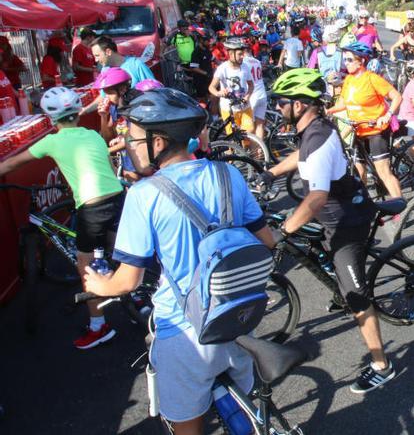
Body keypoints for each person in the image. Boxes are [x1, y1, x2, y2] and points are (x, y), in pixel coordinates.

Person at [83, 88, 274, 434]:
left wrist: (98, 285)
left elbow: (128, 281)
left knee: (187, 424)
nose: (127, 142)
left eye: (134, 136)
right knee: (246, 416)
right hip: (237, 316)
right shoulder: (227, 174)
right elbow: (267, 240)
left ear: (158, 143)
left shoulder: (143, 195)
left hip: (183, 331)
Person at [261, 68, 396, 394]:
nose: (278, 108)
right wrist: (272, 171)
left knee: (356, 298)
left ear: (300, 105)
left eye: (282, 103)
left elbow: (316, 197)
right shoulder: (314, 130)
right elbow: (302, 156)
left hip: (347, 222)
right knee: (311, 245)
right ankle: (338, 284)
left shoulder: (318, 137)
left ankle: (382, 365)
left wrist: (285, 230)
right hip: (333, 216)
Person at [0, 87, 124, 348]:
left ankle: (98, 327)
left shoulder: (51, 141)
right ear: (78, 112)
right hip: (117, 196)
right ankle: (138, 297)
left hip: (92, 207)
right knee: (122, 252)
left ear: (51, 117)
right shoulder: (91, 134)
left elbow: (11, 164)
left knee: (87, 269)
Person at [326, 42, 404, 199]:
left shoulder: (372, 79)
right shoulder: (348, 79)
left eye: (349, 60)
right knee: (359, 170)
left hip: (376, 131)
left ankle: (399, 204)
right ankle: (362, 203)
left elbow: (397, 97)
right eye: (345, 59)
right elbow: (343, 103)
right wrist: (328, 111)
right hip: (358, 130)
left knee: (383, 171)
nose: (345, 63)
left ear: (360, 61)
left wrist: (387, 115)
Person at [209, 38, 255, 136]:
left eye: (242, 53)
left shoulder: (245, 66)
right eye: (239, 54)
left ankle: (246, 150)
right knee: (232, 137)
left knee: (249, 131)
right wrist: (218, 93)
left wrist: (247, 96)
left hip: (245, 107)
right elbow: (211, 87)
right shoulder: (222, 68)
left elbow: (251, 85)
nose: (242, 56)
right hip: (228, 109)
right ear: (230, 54)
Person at [91, 36, 156, 87]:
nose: (96, 60)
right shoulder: (104, 70)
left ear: (108, 52)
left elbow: (154, 90)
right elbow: (104, 96)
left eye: (97, 55)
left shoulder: (136, 65)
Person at [243, 46, 269, 139]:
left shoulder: (243, 62)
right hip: (261, 93)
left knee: (249, 126)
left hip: (252, 95)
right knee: (259, 125)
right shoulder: (257, 61)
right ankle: (260, 152)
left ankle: (244, 148)